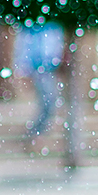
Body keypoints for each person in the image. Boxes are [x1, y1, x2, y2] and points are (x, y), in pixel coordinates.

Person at [17, 22, 70, 155]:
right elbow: (25, 48)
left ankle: (35, 135)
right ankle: (35, 136)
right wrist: (24, 70)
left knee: (50, 104)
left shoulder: (53, 26)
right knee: (49, 103)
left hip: (50, 69)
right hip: (39, 69)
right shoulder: (33, 28)